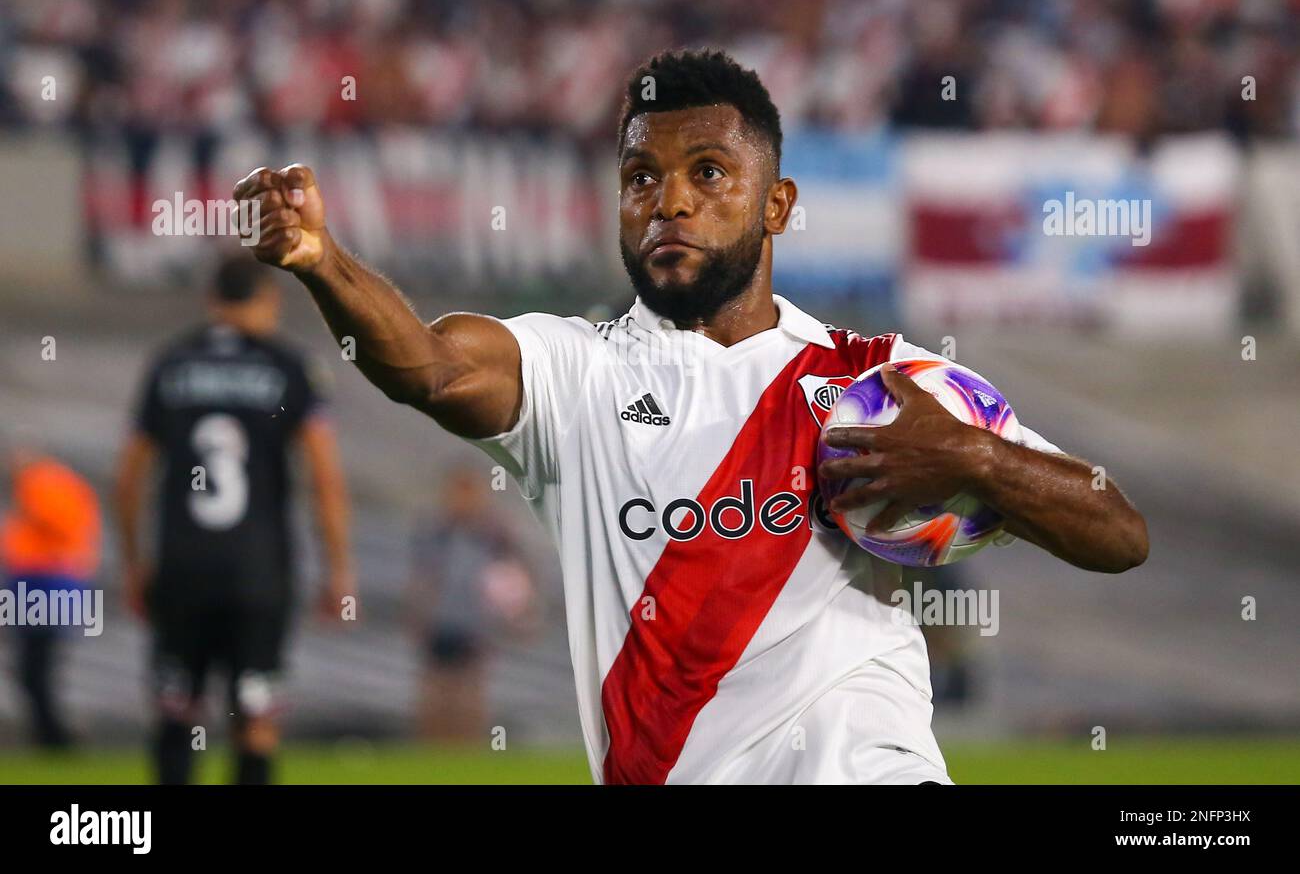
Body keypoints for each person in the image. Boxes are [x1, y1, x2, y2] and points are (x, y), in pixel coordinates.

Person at [231, 49, 1148, 785]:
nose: (668, 199)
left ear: (776, 204)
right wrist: (322, 258)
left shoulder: (878, 383)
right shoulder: (573, 371)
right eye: (641, 176)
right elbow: (427, 368)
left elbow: (1119, 533)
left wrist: (973, 458)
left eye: (708, 173)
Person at [113, 255, 353, 784]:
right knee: (256, 717)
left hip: (181, 566)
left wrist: (134, 563)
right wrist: (337, 568)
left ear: (211, 300)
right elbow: (325, 480)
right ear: (268, 299)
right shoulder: (290, 366)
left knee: (177, 710)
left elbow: (128, 480)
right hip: (259, 572)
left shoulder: (171, 363)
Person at [406, 467, 537, 741]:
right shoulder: (436, 533)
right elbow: (423, 578)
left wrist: (519, 614)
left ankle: (467, 749)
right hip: (440, 622)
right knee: (436, 690)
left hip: (475, 624)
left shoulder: (493, 534)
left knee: (470, 691)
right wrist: (416, 615)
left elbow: (515, 576)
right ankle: (434, 749)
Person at [1, 446, 100, 748]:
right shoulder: (61, 484)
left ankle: (56, 737)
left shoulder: (40, 483)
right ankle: (52, 735)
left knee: (36, 664)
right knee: (37, 665)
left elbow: (53, 525)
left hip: (43, 581)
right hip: (48, 581)